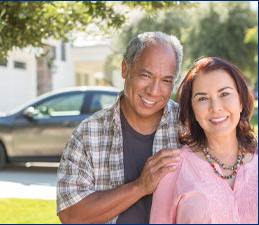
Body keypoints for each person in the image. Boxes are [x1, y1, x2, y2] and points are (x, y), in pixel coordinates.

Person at [56, 31, 183, 224]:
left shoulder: (189, 126)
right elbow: (71, 215)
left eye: (166, 80)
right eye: (146, 75)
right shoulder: (87, 134)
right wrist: (140, 186)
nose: (154, 91)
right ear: (125, 69)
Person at [150, 57, 258, 224]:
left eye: (224, 94)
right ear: (192, 111)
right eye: (202, 98)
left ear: (241, 101)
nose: (215, 107)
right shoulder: (174, 170)